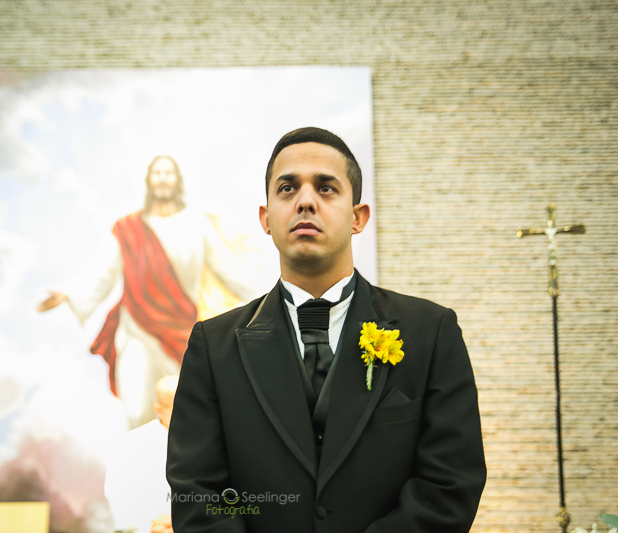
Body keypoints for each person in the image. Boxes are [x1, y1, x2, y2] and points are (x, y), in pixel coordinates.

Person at [166, 127, 486, 532]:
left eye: (326, 188)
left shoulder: (431, 332)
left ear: (358, 217)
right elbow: (198, 496)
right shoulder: (213, 347)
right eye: (287, 189)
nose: (305, 201)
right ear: (266, 219)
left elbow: (450, 485)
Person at [37, 156, 265, 429]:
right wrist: (67, 293)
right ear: (148, 180)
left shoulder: (196, 224)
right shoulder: (126, 229)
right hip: (138, 335)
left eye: (169, 172)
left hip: (184, 337)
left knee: (186, 419)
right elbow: (101, 272)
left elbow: (230, 268)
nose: (163, 177)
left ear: (177, 179)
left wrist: (272, 296)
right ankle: (138, 469)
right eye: (157, 172)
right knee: (137, 411)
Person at [105, 375, 178, 533]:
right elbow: (117, 501)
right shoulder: (130, 445)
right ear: (159, 409)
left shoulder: (212, 441)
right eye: (178, 406)